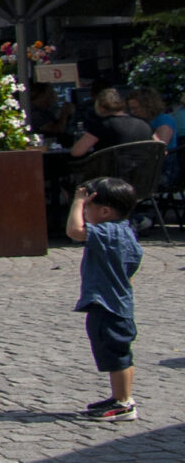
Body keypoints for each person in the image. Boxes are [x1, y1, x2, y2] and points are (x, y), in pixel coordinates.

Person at [66, 177, 143, 423]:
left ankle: (123, 404)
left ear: (105, 211)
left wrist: (77, 202)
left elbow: (75, 231)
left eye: (88, 207)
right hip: (118, 303)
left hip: (107, 304)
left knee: (116, 355)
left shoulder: (108, 231)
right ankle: (120, 397)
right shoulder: (125, 231)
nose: (84, 212)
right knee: (120, 353)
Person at [69, 85, 153, 159]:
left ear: (100, 107)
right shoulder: (144, 124)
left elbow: (76, 152)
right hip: (141, 174)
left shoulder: (102, 125)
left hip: (111, 174)